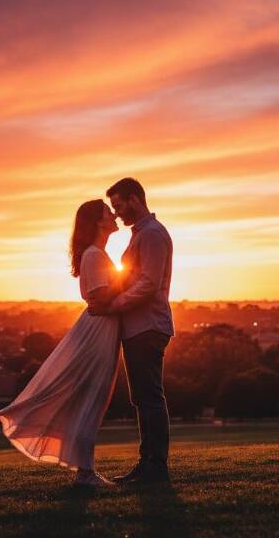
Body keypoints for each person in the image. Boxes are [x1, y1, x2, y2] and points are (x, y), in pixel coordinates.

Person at [0, 199, 123, 488]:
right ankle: (85, 472)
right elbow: (101, 299)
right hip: (98, 331)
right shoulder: (94, 255)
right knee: (90, 398)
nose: (114, 214)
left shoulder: (97, 254)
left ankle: (85, 471)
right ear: (98, 222)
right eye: (108, 212)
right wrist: (130, 279)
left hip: (103, 329)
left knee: (93, 399)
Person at [89, 177, 174, 485]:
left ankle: (156, 466)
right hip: (139, 326)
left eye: (119, 205)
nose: (117, 212)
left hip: (148, 325)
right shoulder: (142, 234)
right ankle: (147, 462)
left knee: (150, 397)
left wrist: (112, 306)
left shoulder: (151, 234)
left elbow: (149, 284)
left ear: (134, 199)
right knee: (143, 397)